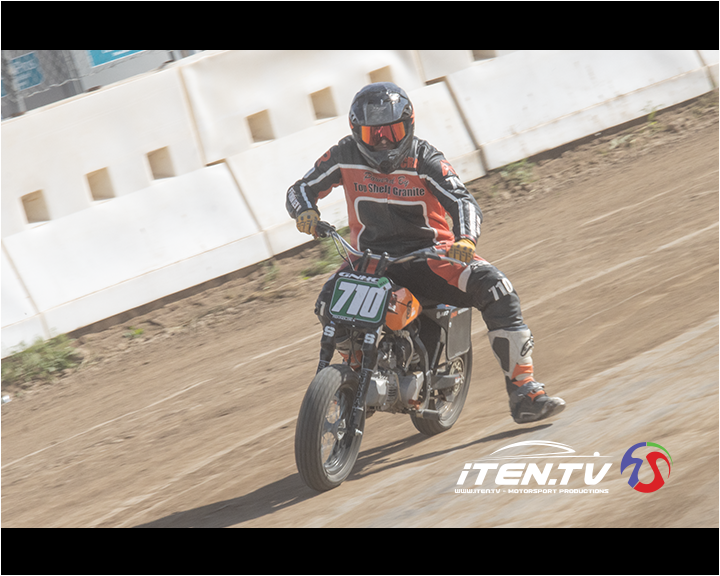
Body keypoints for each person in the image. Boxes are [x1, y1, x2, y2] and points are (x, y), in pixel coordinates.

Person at [285, 82, 565, 424]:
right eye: (374, 134)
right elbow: (299, 189)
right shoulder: (344, 154)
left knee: (498, 289)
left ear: (409, 126)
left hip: (431, 259)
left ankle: (524, 391)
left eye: (393, 131)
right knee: (327, 302)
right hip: (369, 262)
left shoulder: (425, 158)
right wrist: (304, 210)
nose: (384, 142)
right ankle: (355, 373)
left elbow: (463, 201)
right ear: (357, 133)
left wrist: (466, 240)